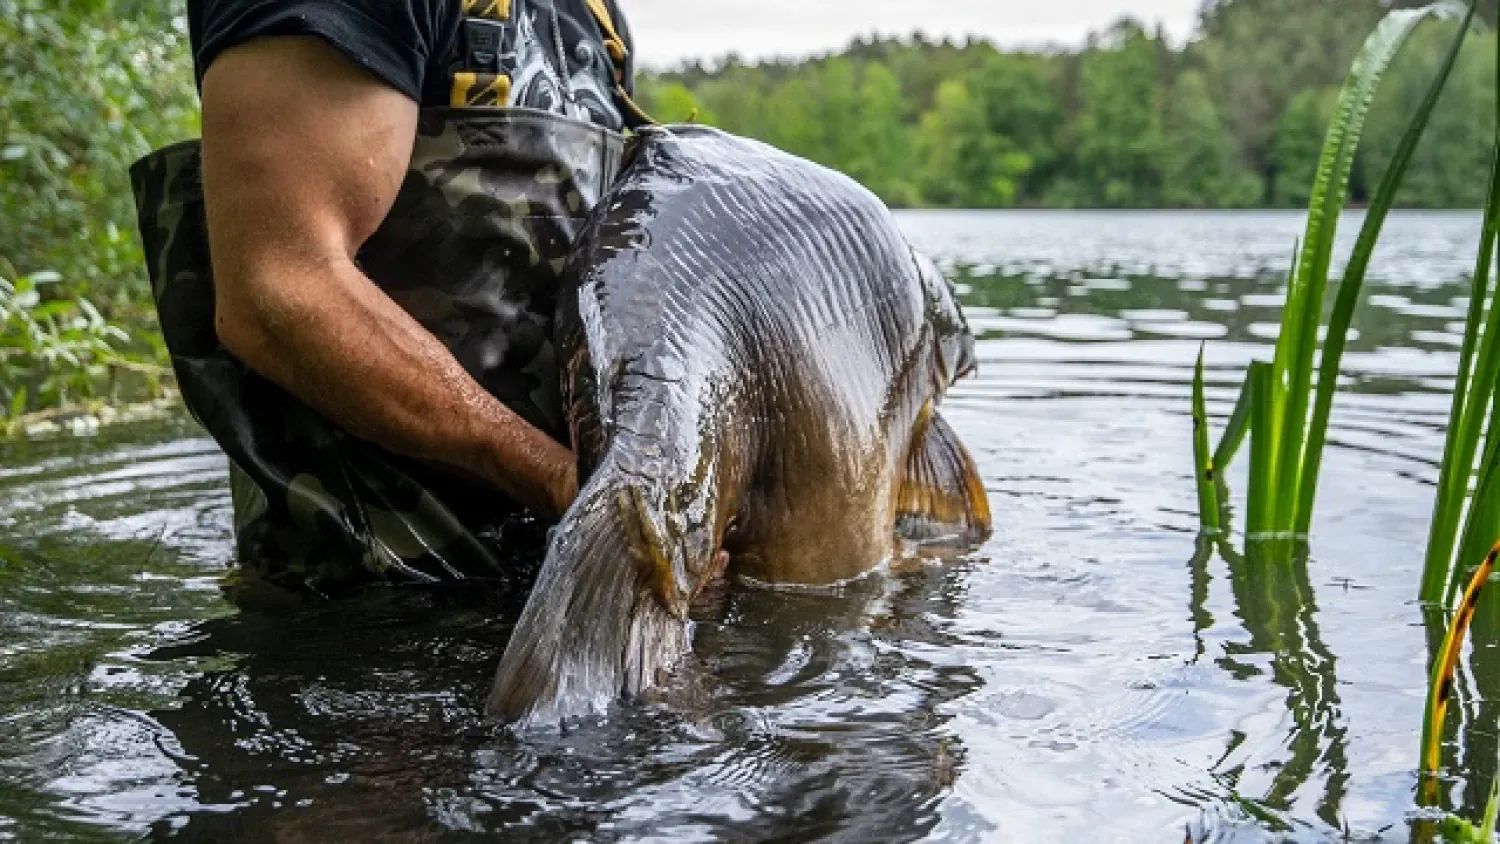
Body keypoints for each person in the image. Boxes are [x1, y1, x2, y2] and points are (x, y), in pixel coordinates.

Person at [131, 0, 650, 595]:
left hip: (575, 575)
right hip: (358, 606)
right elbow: (279, 289)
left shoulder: (597, 18)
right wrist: (562, 481)